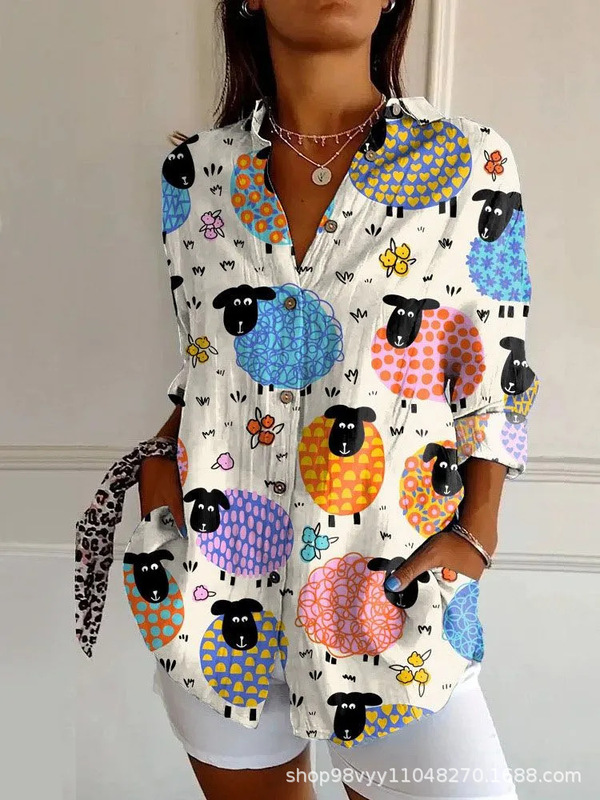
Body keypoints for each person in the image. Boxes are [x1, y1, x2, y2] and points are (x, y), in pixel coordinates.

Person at [135, 1, 539, 798]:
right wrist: (158, 473)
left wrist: (481, 527)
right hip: (217, 589)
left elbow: (497, 369)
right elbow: (202, 360)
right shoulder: (194, 174)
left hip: (389, 589)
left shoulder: (468, 161)